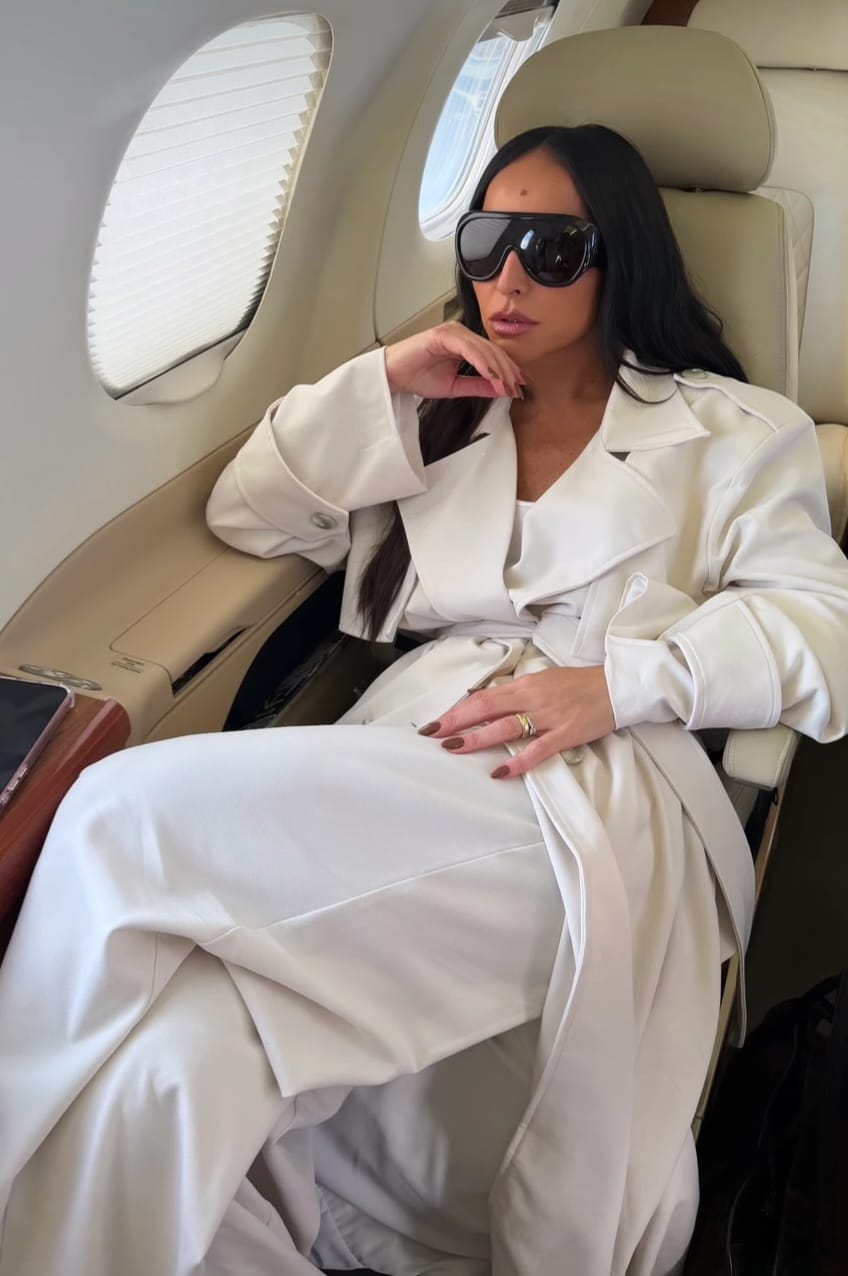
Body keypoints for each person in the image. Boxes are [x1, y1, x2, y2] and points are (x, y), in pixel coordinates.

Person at [1, 123, 847, 1276]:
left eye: (552, 248)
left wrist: (618, 684)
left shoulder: (737, 431)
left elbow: (822, 632)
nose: (508, 277)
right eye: (488, 239)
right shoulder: (441, 410)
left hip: (593, 789)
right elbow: (250, 514)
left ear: (622, 256)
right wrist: (383, 381)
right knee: (168, 1068)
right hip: (417, 750)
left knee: (113, 813)